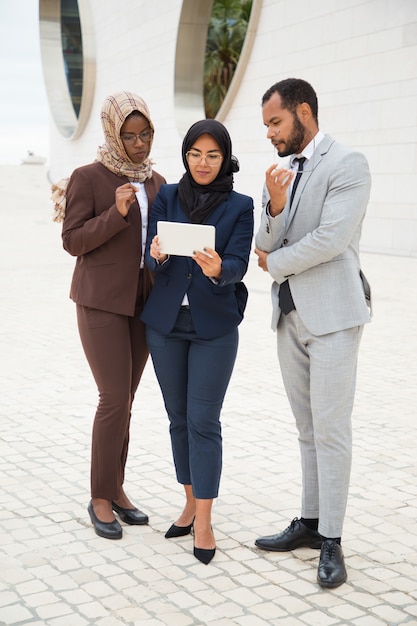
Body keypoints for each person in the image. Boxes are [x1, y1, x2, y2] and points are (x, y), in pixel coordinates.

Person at [254, 78, 372, 588]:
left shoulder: (349, 164)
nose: (270, 135)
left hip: (334, 316)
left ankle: (333, 539)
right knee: (306, 429)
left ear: (304, 112)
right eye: (266, 126)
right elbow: (262, 236)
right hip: (289, 315)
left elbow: (331, 239)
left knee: (331, 430)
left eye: (276, 123)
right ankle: (308, 520)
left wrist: (275, 263)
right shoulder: (277, 172)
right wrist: (275, 207)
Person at [141, 119, 254, 564]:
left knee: (204, 420)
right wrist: (157, 253)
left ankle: (204, 520)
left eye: (212, 155)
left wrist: (218, 269)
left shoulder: (241, 205)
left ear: (224, 157)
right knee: (177, 418)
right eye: (195, 154)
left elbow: (239, 261)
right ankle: (189, 501)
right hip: (165, 325)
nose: (203, 163)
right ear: (185, 155)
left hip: (214, 328)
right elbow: (155, 252)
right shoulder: (167, 195)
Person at [59, 91, 166, 539]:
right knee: (113, 398)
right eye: (130, 136)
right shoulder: (87, 177)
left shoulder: (158, 182)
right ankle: (100, 496)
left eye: (145, 135)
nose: (139, 144)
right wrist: (115, 212)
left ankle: (117, 490)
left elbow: (156, 243)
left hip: (143, 305)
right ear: (112, 133)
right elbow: (73, 240)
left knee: (128, 399)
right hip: (101, 302)